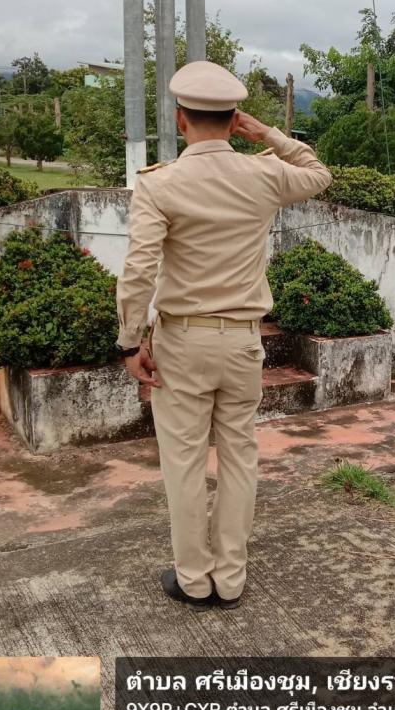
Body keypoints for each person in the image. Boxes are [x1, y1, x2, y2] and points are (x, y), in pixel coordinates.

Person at [115, 60, 332, 609]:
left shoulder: (160, 183)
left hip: (182, 343)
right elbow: (318, 172)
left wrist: (129, 341)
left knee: (184, 464)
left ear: (179, 118)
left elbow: (139, 270)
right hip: (241, 341)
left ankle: (194, 579)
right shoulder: (262, 174)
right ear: (235, 119)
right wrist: (268, 134)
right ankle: (230, 578)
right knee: (239, 458)